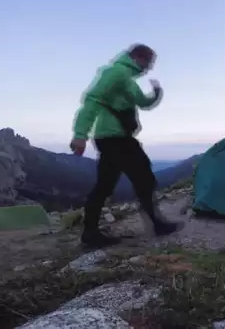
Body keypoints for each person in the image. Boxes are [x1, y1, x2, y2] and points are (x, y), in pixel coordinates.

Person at [70, 43, 181, 248]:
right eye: (148, 63)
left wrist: (156, 93)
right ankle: (157, 224)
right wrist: (80, 134)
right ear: (137, 57)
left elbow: (143, 102)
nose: (148, 68)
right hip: (115, 139)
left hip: (113, 138)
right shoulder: (116, 72)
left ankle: (90, 233)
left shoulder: (127, 79)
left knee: (104, 185)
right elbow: (93, 99)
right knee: (144, 177)